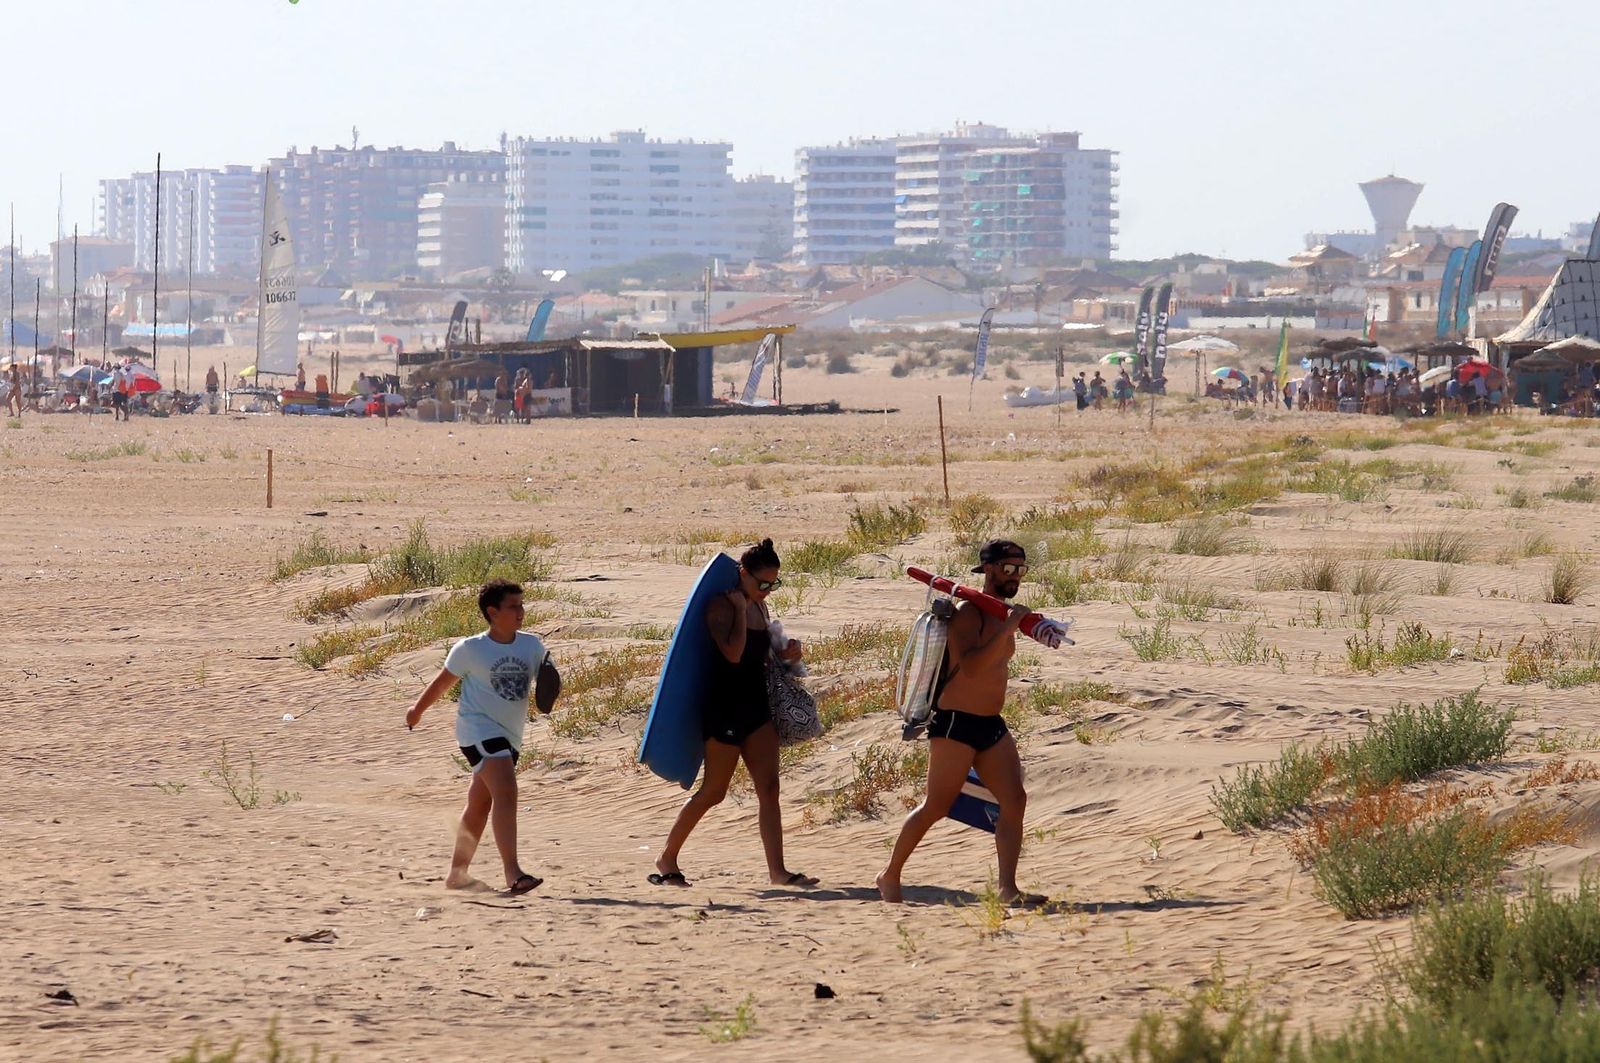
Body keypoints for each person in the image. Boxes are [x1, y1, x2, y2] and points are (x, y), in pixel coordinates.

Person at [878, 540, 1042, 906]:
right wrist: (1007, 630)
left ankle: (1007, 888)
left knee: (1014, 800)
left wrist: (1011, 625)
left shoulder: (1000, 614)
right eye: (1007, 568)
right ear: (988, 570)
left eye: (1020, 569)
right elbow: (970, 666)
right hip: (955, 725)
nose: (1014, 576)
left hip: (990, 724)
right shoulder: (969, 613)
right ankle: (889, 874)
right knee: (936, 806)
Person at [652, 539, 816, 889]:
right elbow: (733, 653)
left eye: (775, 584)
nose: (768, 591)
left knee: (769, 789)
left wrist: (789, 654)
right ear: (743, 573)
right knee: (714, 791)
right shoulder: (720, 607)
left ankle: (778, 872)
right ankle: (667, 857)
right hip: (723, 707)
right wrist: (740, 611)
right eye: (763, 584)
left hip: (756, 707)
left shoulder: (761, 608)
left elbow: (766, 659)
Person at [405, 579, 561, 895]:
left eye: (521, 604)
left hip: (511, 735)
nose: (521, 611)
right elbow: (441, 683)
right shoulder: (470, 648)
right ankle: (513, 873)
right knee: (506, 791)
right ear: (492, 612)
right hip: (477, 729)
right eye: (513, 606)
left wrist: (551, 685)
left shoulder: (531, 646)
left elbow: (548, 682)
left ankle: (457, 875)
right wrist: (416, 710)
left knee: (479, 803)